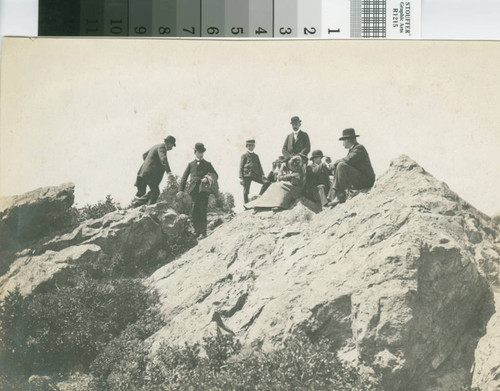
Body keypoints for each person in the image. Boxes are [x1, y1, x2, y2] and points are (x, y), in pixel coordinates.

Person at [177, 143, 218, 238]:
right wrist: (180, 190)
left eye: (202, 152)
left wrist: (207, 178)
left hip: (204, 190)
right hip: (193, 191)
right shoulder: (191, 164)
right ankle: (196, 231)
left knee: (202, 209)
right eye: (199, 152)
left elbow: (215, 175)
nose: (201, 154)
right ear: (195, 152)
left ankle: (203, 232)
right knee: (195, 210)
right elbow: (184, 178)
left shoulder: (208, 164)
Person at [327, 128, 375, 206]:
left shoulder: (359, 148)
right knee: (340, 166)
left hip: (366, 180)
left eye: (343, 140)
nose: (342, 143)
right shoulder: (353, 149)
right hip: (361, 178)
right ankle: (333, 197)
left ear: (347, 140)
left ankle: (340, 196)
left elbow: (349, 160)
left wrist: (335, 164)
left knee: (341, 165)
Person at [132, 135, 176, 207]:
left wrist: (150, 163)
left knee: (141, 193)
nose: (172, 148)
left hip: (143, 173)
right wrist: (169, 172)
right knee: (155, 192)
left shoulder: (155, 146)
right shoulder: (162, 147)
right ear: (168, 143)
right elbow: (163, 159)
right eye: (172, 145)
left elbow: (144, 155)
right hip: (150, 174)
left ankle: (134, 206)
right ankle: (149, 208)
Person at [239, 139, 267, 203]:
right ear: (247, 146)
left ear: (254, 146)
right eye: (249, 146)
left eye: (252, 145)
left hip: (255, 175)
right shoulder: (244, 155)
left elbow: (259, 166)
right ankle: (246, 205)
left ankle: (260, 195)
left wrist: (262, 175)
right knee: (246, 191)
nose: (251, 147)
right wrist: (241, 178)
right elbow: (240, 167)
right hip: (246, 175)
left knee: (266, 182)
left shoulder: (256, 156)